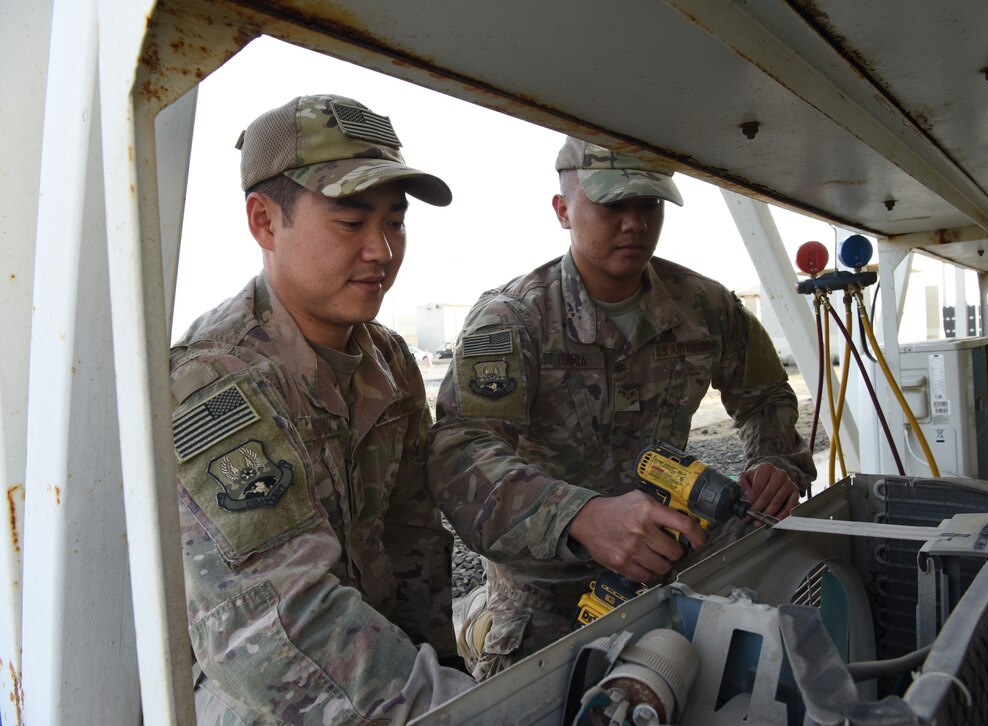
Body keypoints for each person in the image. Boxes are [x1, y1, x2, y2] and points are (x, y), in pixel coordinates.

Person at [427, 136, 817, 679]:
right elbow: (460, 450)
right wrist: (580, 516)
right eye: (612, 204)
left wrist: (774, 461)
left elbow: (766, 395)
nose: (634, 223)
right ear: (563, 211)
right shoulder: (513, 320)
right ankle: (480, 620)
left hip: (667, 561)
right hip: (548, 584)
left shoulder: (705, 306)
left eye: (649, 204)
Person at [169, 94, 474, 723]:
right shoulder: (212, 383)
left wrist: (444, 666)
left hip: (389, 673)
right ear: (264, 221)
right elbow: (272, 621)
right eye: (350, 222)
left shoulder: (387, 358)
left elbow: (412, 533)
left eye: (395, 223)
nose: (381, 250)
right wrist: (455, 713)